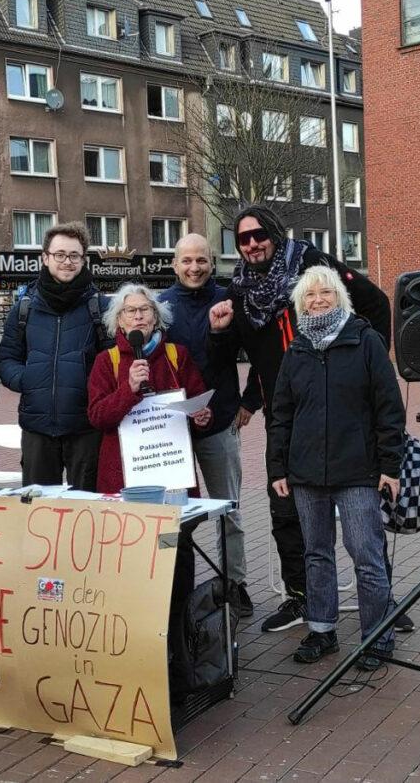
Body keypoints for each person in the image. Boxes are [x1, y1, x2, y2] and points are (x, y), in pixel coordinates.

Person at [207, 205, 412, 634]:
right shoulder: (239, 292)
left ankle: (383, 599)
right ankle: (302, 599)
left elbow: (375, 302)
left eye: (259, 234)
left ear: (275, 234)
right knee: (286, 514)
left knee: (362, 523)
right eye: (243, 238)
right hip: (288, 417)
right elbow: (254, 356)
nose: (252, 244)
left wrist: (365, 358)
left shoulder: (310, 264)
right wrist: (249, 395)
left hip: (340, 412)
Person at [267, 265, 405, 670]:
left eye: (325, 292)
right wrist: (278, 468)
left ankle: (378, 636)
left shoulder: (365, 341)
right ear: (300, 304)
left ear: (339, 297)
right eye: (309, 295)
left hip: (358, 471)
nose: (317, 300)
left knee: (366, 553)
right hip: (306, 474)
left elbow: (389, 408)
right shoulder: (296, 350)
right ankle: (322, 630)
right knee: (316, 554)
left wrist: (390, 466)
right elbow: (281, 414)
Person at [160, 234, 255, 617]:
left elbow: (257, 353)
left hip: (218, 422)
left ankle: (236, 583)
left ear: (212, 262)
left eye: (201, 260)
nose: (194, 268)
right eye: (186, 261)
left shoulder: (229, 301)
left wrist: (250, 402)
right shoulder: (161, 306)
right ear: (175, 264)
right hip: (170, 428)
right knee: (168, 512)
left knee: (228, 508)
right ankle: (164, 583)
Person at [0, 222, 109, 490]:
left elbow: (113, 360)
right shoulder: (24, 308)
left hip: (86, 427)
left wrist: (93, 387)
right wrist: (27, 380)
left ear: (83, 260)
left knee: (86, 512)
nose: (67, 262)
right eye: (59, 254)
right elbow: (6, 358)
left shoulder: (101, 308)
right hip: (37, 427)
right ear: (45, 258)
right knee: (38, 512)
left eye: (74, 255)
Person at [87, 283, 211, 494]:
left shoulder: (177, 355)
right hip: (124, 476)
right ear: (120, 321)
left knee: (179, 526)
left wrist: (202, 417)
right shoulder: (107, 361)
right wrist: (129, 389)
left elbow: (197, 400)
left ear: (155, 318)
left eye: (145, 309)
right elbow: (97, 417)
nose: (138, 316)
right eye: (130, 311)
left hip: (171, 470)